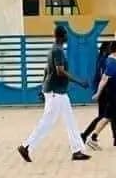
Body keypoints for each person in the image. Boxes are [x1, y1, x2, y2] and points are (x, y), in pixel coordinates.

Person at [17, 25, 91, 162]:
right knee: (47, 122)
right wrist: (79, 81)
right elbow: (59, 71)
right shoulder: (57, 51)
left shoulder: (54, 50)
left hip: (58, 92)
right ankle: (26, 146)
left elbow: (46, 70)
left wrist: (41, 88)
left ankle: (77, 150)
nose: (68, 37)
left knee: (70, 120)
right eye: (66, 35)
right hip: (55, 93)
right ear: (62, 36)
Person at [81, 40, 116, 148]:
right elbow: (103, 79)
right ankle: (85, 135)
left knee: (112, 115)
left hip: (107, 92)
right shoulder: (105, 61)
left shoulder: (102, 59)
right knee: (103, 116)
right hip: (105, 93)